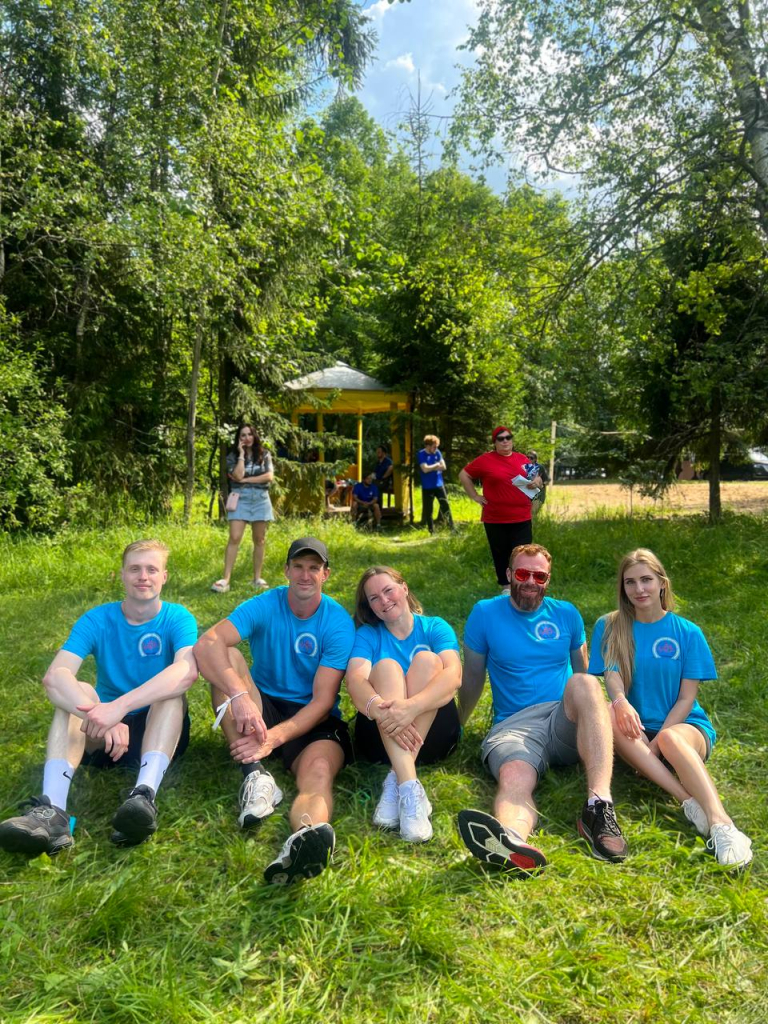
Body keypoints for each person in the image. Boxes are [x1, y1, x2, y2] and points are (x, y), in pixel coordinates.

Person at [0, 541, 198, 855]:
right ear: (122, 575)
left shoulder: (178, 617)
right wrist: (99, 715)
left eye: (152, 569)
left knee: (172, 694)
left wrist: (118, 708)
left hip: (159, 732)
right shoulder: (97, 619)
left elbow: (186, 672)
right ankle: (53, 812)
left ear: (164, 576)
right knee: (77, 691)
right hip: (100, 736)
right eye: (135, 569)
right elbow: (55, 677)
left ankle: (143, 797)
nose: (143, 576)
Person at [457, 543, 628, 874]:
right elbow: (473, 677)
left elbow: (585, 677)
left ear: (548, 579)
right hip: (514, 726)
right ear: (509, 575)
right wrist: (458, 724)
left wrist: (603, 716)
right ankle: (512, 841)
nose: (530, 582)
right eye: (522, 573)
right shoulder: (485, 613)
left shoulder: (566, 614)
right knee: (514, 776)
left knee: (585, 683)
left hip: (563, 718)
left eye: (539, 576)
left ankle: (599, 807)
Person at [194, 537, 355, 885]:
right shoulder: (266, 603)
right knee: (227, 659)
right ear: (286, 571)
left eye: (314, 568)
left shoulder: (338, 622)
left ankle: (305, 840)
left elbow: (322, 702)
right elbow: (207, 643)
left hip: (313, 717)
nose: (305, 575)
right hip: (261, 705)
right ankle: (254, 775)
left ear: (326, 575)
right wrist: (240, 695)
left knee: (319, 772)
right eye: (298, 566)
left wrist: (275, 738)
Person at [589, 548, 752, 869]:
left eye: (647, 580)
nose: (639, 589)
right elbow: (612, 677)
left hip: (684, 727)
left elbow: (686, 698)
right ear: (622, 587)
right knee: (607, 710)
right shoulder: (609, 625)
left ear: (662, 583)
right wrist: (621, 702)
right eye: (630, 582)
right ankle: (689, 802)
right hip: (634, 730)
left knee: (670, 739)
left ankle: (722, 824)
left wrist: (655, 744)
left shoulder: (687, 632)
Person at [346, 567, 462, 842]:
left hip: (434, 736)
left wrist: (411, 707)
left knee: (428, 661)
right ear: (369, 606)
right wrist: (381, 709)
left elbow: (454, 675)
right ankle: (408, 787)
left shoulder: (434, 627)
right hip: (379, 736)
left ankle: (395, 780)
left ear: (405, 588)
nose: (384, 601)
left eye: (388, 590)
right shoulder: (368, 635)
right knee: (386, 667)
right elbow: (355, 681)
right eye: (374, 598)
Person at [459, 427, 543, 592]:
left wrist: (537, 481)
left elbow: (536, 478)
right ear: (495, 442)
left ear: (512, 440)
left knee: (522, 554)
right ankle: (506, 588)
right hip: (495, 518)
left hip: (522, 517)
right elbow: (464, 475)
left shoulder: (522, 459)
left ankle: (521, 585)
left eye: (508, 437)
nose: (505, 441)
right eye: (500, 438)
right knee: (501, 554)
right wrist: (474, 496)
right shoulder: (485, 460)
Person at [211, 424, 274, 594]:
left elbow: (269, 476)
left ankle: (257, 578)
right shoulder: (232, 456)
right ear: (238, 439)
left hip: (260, 499)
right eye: (243, 435)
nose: (247, 438)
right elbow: (237, 475)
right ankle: (226, 580)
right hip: (240, 499)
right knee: (234, 537)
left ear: (255, 436)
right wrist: (240, 455)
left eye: (249, 434)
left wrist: (246, 480)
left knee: (259, 539)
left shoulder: (265, 454)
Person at [418, 434, 455, 533]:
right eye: (434, 447)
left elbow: (444, 467)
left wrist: (431, 467)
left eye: (436, 447)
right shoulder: (421, 454)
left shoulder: (437, 452)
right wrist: (436, 465)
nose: (436, 449)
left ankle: (452, 529)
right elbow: (424, 469)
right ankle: (431, 531)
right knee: (428, 510)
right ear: (428, 446)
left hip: (439, 485)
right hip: (427, 487)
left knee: (446, 506)